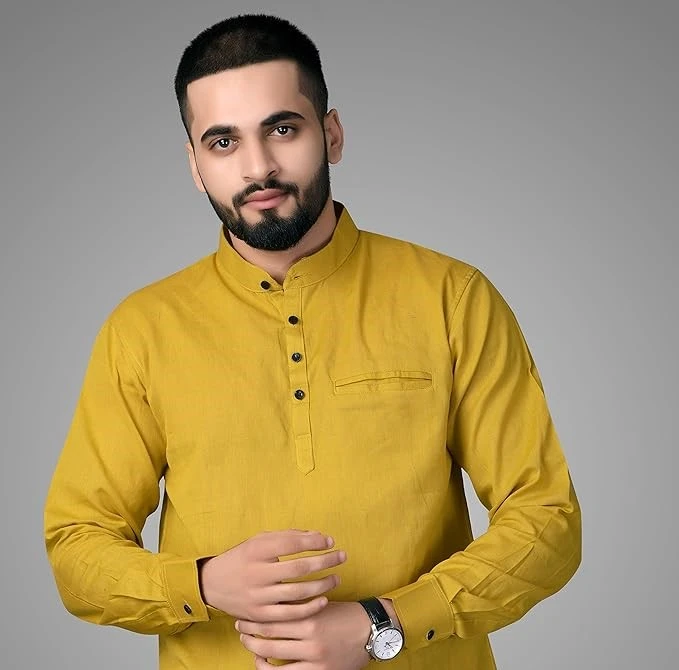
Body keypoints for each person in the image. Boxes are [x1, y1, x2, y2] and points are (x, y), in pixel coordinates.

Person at [44, 13, 582, 670]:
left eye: (282, 129)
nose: (258, 167)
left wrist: (384, 623)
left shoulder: (451, 298)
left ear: (331, 134)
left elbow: (547, 520)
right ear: (195, 165)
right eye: (222, 142)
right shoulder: (141, 329)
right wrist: (204, 584)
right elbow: (77, 551)